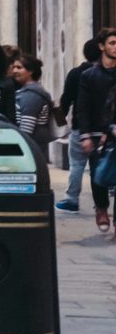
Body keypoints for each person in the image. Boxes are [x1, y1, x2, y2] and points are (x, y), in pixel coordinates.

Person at [68, 28, 116, 231]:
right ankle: (102, 208)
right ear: (102, 46)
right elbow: (82, 106)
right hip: (95, 132)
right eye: (112, 43)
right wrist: (85, 134)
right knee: (99, 174)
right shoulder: (89, 75)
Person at [55, 37, 103, 213]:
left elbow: (66, 98)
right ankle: (100, 202)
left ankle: (72, 199)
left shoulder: (76, 73)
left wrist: (62, 117)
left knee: (77, 164)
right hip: (102, 128)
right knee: (99, 165)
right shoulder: (106, 73)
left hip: (80, 127)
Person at [9, 53, 56, 148]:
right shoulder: (27, 92)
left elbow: (26, 128)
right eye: (14, 67)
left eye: (19, 67)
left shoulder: (31, 95)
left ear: (30, 71)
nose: (14, 71)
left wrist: (18, 147)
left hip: (32, 146)